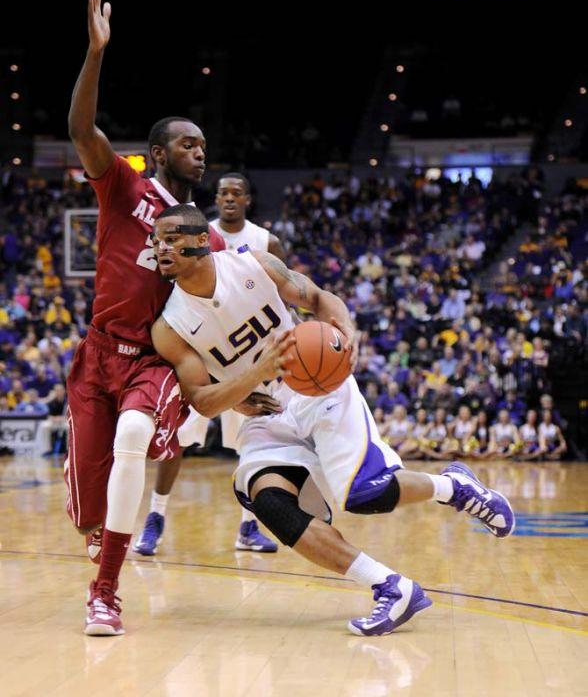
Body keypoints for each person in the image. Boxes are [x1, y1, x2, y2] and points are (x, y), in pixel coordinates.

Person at [149, 204, 515, 637]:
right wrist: (252, 376)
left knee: (365, 495)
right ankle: (390, 587)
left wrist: (345, 327)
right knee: (269, 502)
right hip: (266, 413)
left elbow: (319, 298)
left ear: (200, 240)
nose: (160, 247)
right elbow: (204, 402)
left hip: (318, 387)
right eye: (157, 239)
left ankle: (454, 487)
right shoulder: (169, 326)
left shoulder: (254, 264)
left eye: (172, 237)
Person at [66, 0, 227, 637]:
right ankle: (106, 538)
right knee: (90, 513)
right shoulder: (123, 185)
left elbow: (227, 300)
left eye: (203, 146)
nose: (201, 152)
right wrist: (97, 53)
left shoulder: (207, 235)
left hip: (154, 361)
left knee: (135, 440)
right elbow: (80, 127)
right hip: (96, 353)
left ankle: (105, 593)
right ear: (160, 152)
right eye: (189, 144)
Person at [134, 173, 285, 556]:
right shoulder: (197, 234)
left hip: (251, 359)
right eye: (223, 193)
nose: (229, 198)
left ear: (249, 199)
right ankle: (155, 517)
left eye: (237, 193)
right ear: (215, 199)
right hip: (203, 356)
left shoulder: (266, 241)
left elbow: (280, 297)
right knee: (177, 442)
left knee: (253, 446)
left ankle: (248, 527)